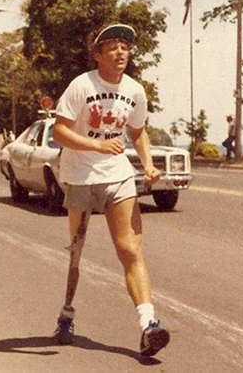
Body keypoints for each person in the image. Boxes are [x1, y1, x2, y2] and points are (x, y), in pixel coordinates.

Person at [52, 23, 169, 357]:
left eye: (126, 47)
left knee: (129, 249)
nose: (121, 52)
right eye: (113, 46)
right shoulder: (81, 85)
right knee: (77, 251)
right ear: (97, 54)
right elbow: (60, 131)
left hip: (118, 176)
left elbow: (138, 131)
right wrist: (96, 146)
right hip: (80, 177)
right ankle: (67, 313)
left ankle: (149, 324)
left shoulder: (134, 90)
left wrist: (146, 164)